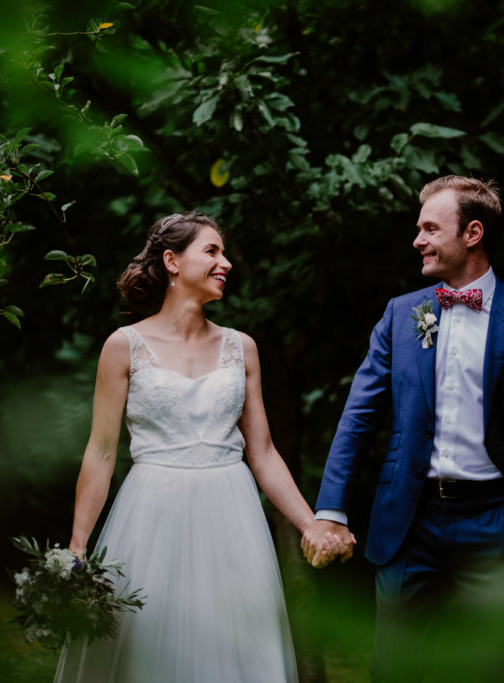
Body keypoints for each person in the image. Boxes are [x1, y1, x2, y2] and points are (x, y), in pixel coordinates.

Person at [301, 176, 504, 679]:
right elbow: (359, 417)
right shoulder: (400, 315)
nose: (418, 240)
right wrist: (330, 509)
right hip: (410, 523)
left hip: (500, 519)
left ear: (472, 233)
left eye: (430, 229)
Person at [55, 212, 340, 683]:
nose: (225, 262)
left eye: (223, 253)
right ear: (172, 261)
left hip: (232, 519)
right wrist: (78, 547)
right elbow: (102, 452)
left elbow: (263, 452)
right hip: (150, 519)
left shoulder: (241, 348)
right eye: (212, 251)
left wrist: (311, 524)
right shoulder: (123, 346)